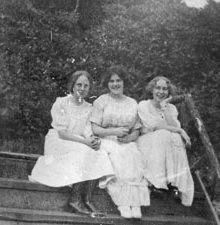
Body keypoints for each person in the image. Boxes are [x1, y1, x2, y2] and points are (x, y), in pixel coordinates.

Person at [29, 71, 114, 216]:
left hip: (79, 141)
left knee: (99, 152)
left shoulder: (89, 108)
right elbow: (62, 133)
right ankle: (75, 199)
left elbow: (87, 131)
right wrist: (85, 142)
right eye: (79, 84)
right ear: (72, 86)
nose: (82, 88)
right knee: (82, 150)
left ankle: (87, 199)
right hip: (59, 141)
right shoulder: (61, 102)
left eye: (86, 86)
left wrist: (92, 140)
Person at [90, 65, 150, 219]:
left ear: (124, 83)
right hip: (106, 139)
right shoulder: (101, 101)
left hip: (126, 140)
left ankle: (135, 204)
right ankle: (122, 203)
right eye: (111, 81)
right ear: (107, 84)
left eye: (118, 80)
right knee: (118, 155)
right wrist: (113, 132)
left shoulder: (132, 103)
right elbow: (95, 128)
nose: (115, 84)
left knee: (134, 155)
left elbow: (137, 128)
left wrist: (130, 138)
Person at [137, 76, 195, 206]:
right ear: (152, 89)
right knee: (164, 134)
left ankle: (174, 183)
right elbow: (155, 126)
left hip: (164, 142)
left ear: (168, 92)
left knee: (174, 137)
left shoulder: (171, 108)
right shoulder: (144, 105)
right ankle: (156, 182)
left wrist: (164, 108)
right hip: (147, 142)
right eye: (158, 88)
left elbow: (174, 127)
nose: (161, 92)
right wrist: (180, 131)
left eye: (164, 89)